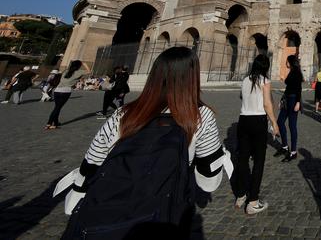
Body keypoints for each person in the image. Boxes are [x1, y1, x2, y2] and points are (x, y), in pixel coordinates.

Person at [54, 47, 229, 236]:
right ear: (192, 77)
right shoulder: (198, 116)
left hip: (106, 210)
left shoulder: (123, 113)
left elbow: (92, 161)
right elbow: (208, 179)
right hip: (163, 211)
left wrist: (79, 192)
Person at [234, 55, 279, 215]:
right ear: (266, 66)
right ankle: (253, 201)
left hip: (243, 120)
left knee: (242, 159)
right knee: (258, 161)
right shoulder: (265, 81)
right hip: (258, 120)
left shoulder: (245, 80)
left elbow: (242, 98)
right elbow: (267, 104)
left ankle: (240, 194)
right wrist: (274, 123)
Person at [45, 61, 90, 129]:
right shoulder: (79, 72)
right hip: (66, 91)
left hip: (57, 90)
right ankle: (49, 123)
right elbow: (89, 71)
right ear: (79, 66)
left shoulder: (66, 71)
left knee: (57, 107)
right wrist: (85, 64)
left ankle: (55, 123)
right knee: (57, 108)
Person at [275, 55, 303, 162]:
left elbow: (298, 89)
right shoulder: (291, 72)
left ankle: (293, 151)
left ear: (290, 62)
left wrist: (298, 103)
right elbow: (288, 88)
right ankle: (285, 146)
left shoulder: (296, 72)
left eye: (287, 61)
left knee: (292, 126)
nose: (285, 63)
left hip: (293, 100)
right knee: (280, 122)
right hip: (287, 99)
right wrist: (282, 100)